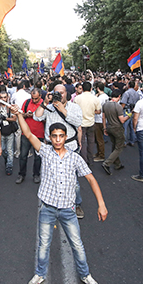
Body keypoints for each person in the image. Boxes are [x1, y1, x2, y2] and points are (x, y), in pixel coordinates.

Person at [11, 105, 108, 284]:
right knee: (43, 244)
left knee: (77, 246)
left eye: (60, 136)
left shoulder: (75, 158)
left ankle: (85, 275)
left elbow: (91, 179)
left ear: (65, 137)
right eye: (54, 136)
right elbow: (29, 134)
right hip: (47, 208)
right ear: (50, 137)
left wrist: (101, 204)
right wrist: (19, 115)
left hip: (68, 210)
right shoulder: (45, 152)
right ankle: (40, 274)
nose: (57, 139)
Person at [34, 84, 86, 219]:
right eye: (56, 92)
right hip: (51, 148)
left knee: (73, 181)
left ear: (66, 94)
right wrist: (44, 102)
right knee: (50, 176)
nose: (59, 95)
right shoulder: (49, 107)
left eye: (61, 93)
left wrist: (63, 110)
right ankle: (51, 203)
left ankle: (77, 204)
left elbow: (78, 121)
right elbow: (37, 117)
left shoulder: (74, 107)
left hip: (70, 148)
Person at [16, 88, 44, 184]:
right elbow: (21, 115)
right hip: (26, 134)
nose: (34, 100)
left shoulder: (44, 104)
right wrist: (26, 115)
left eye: (36, 98)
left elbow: (48, 119)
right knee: (23, 155)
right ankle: (21, 174)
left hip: (39, 134)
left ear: (40, 96)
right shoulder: (27, 102)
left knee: (38, 157)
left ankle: (36, 174)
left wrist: (38, 116)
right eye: (33, 98)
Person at [101, 89, 129, 175]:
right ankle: (107, 163)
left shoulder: (105, 105)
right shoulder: (118, 106)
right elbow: (122, 120)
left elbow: (103, 118)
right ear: (119, 96)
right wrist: (129, 115)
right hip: (117, 128)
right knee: (119, 147)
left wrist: (104, 128)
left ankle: (117, 164)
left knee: (115, 145)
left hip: (109, 127)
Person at [0, 91, 17, 175]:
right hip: (0, 131)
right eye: (1, 97)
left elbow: (14, 119)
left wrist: (5, 118)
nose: (3, 99)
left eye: (5, 97)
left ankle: (9, 166)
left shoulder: (10, 107)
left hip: (9, 131)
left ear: (7, 98)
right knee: (3, 149)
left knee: (10, 150)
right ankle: (7, 160)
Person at [120, 80, 140, 146]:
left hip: (127, 110)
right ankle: (132, 140)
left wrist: (120, 110)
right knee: (132, 126)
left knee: (125, 126)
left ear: (128, 85)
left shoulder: (126, 93)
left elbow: (123, 103)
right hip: (134, 109)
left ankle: (124, 141)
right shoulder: (137, 93)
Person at [93, 82, 109, 162]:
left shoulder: (99, 98)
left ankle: (101, 155)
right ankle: (99, 152)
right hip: (103, 119)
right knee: (98, 138)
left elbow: (95, 107)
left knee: (99, 139)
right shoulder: (106, 96)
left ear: (97, 88)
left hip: (98, 119)